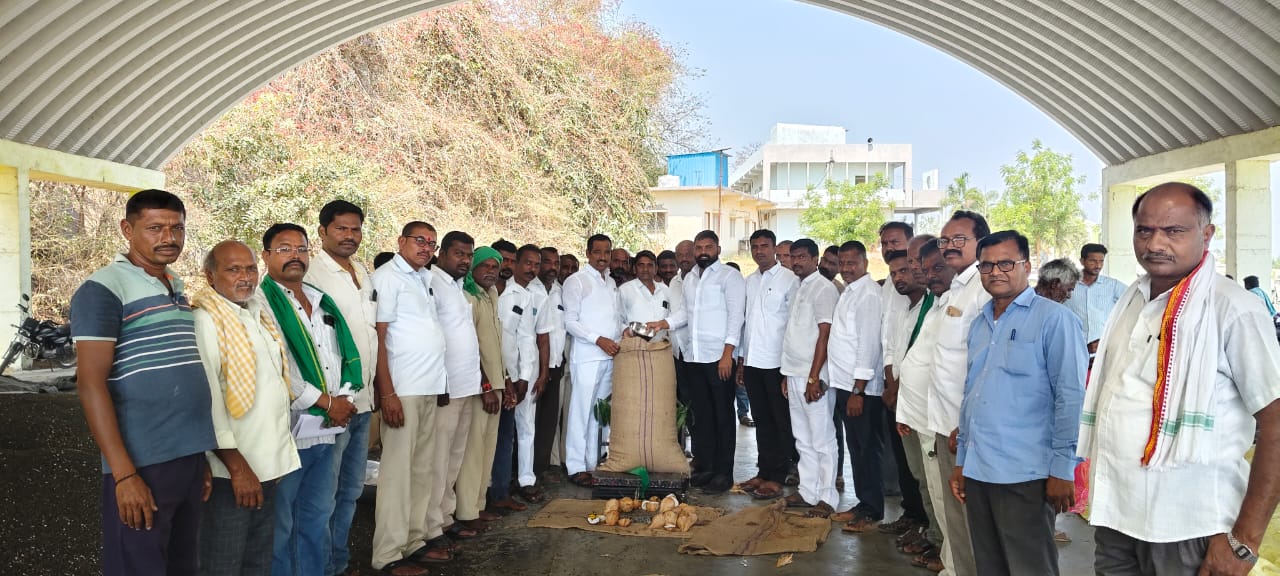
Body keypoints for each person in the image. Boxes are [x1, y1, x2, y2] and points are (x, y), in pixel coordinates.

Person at [1079, 182, 1280, 576]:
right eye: (1144, 230)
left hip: (1190, 525)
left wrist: (1244, 541)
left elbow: (1275, 425)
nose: (1155, 243)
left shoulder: (1232, 308)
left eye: (1174, 231)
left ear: (1207, 234)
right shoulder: (1132, 300)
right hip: (1117, 515)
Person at [71, 189, 216, 576]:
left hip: (186, 458)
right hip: (141, 462)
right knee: (138, 565)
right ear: (127, 229)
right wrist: (124, 474)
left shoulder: (175, 284)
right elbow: (90, 384)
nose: (169, 238)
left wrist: (197, 458)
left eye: (177, 228)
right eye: (155, 228)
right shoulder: (103, 289)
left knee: (181, 564)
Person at [949, 230, 1087, 576]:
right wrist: (963, 459)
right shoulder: (980, 323)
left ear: (1027, 266)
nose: (995, 272)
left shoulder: (1054, 320)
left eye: (1006, 263)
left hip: (1026, 474)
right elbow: (972, 394)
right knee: (989, 566)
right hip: (979, 469)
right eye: (986, 265)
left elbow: (1070, 397)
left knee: (1029, 567)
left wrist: (1062, 468)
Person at [256, 223, 361, 576]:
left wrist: (344, 397)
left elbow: (342, 353)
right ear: (266, 256)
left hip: (327, 429)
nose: (294, 256)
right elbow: (279, 365)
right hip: (287, 431)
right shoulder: (259, 303)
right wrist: (329, 403)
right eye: (284, 249)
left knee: (317, 516)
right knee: (281, 523)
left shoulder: (320, 299)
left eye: (301, 249)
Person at [194, 240, 300, 576]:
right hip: (232, 472)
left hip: (265, 465)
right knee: (223, 563)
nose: (245, 277)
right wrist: (237, 469)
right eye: (233, 269)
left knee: (257, 561)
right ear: (210, 276)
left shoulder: (255, 312)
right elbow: (207, 399)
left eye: (251, 268)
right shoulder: (206, 320)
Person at [369, 222, 448, 576]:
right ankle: (388, 554)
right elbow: (379, 337)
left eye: (432, 243)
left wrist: (441, 382)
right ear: (401, 241)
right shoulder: (388, 277)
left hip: (428, 386)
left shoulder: (424, 277)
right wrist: (387, 393)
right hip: (403, 389)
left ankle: (414, 541)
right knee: (397, 474)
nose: (426, 248)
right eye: (420, 241)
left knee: (421, 470)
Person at [305, 200, 378, 576]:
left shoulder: (362, 271)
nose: (350, 236)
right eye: (341, 229)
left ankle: (338, 562)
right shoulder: (312, 273)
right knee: (323, 495)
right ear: (322, 232)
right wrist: (331, 399)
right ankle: (320, 567)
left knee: (350, 490)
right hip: (333, 404)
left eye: (355, 229)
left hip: (363, 400)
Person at [649, 230, 747, 494]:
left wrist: (728, 354)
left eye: (708, 247)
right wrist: (662, 323)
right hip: (694, 356)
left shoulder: (730, 276)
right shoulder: (690, 278)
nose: (703, 252)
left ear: (718, 248)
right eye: (699, 247)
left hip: (718, 358)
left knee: (722, 416)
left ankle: (724, 474)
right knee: (701, 416)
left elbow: (736, 317)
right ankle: (706, 467)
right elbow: (685, 313)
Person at [929, 210, 991, 576]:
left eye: (959, 240)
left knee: (969, 520)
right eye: (945, 240)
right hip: (943, 421)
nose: (949, 246)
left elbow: (985, 365)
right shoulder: (955, 288)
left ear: (981, 242)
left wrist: (965, 425)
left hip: (963, 428)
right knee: (952, 518)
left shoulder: (983, 290)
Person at [899, 240, 955, 574]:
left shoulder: (957, 302)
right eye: (919, 263)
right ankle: (941, 547)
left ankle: (948, 554)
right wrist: (904, 409)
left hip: (941, 420)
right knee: (928, 485)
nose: (923, 270)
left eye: (934, 266)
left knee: (945, 495)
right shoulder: (933, 303)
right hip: (917, 414)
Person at [447, 235, 507, 533]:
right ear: (473, 268)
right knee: (472, 451)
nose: (491, 272)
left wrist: (503, 381)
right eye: (485, 266)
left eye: (495, 267)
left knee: (487, 448)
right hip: (479, 386)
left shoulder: (490, 295)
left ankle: (478, 505)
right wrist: (486, 386)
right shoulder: (467, 297)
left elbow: (495, 343)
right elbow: (470, 346)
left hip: (496, 384)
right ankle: (466, 512)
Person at [777, 238, 841, 518]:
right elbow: (795, 334)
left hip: (813, 376)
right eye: (793, 257)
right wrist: (787, 374)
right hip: (794, 372)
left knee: (822, 437)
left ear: (815, 259)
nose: (796, 262)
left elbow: (825, 334)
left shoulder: (823, 288)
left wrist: (814, 377)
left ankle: (827, 497)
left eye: (802, 257)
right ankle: (808, 491)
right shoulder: (797, 286)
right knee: (802, 437)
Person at [827, 240, 886, 533]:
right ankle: (863, 503)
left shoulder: (869, 295)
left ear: (865, 262)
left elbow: (868, 346)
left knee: (866, 449)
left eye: (852, 263)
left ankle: (872, 509)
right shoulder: (850, 292)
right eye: (843, 263)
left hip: (861, 390)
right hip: (844, 385)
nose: (846, 268)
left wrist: (858, 391)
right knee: (856, 448)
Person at [737, 229, 799, 501]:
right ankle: (763, 472)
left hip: (777, 363)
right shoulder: (749, 281)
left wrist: (789, 368)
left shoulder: (789, 280)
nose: (759, 251)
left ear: (774, 249)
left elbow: (794, 325)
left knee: (780, 421)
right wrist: (742, 360)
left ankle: (778, 476)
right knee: (762, 420)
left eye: (764, 246)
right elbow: (746, 324)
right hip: (753, 361)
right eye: (755, 246)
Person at [875, 221, 928, 538]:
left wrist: (896, 386)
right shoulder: (889, 287)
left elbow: (913, 348)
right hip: (892, 384)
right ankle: (911, 513)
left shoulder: (928, 300)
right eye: (884, 243)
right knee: (903, 457)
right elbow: (889, 341)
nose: (889, 247)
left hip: (912, 391)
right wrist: (889, 382)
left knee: (921, 464)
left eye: (895, 242)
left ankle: (925, 523)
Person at [562, 233, 623, 486]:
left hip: (610, 356)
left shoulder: (611, 282)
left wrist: (623, 334)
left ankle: (595, 462)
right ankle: (576, 466)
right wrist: (597, 339)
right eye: (597, 252)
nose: (602, 257)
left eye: (607, 252)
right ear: (588, 254)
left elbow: (615, 318)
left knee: (601, 412)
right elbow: (570, 321)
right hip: (588, 357)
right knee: (581, 411)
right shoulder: (576, 281)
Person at [499, 244, 546, 504]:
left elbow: (529, 338)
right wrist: (509, 375)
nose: (532, 269)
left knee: (526, 426)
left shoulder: (530, 295)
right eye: (528, 263)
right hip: (499, 373)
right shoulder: (496, 291)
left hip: (524, 373)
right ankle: (497, 484)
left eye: (536, 265)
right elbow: (499, 339)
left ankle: (526, 480)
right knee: (499, 432)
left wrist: (526, 376)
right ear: (515, 263)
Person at [533, 246, 568, 483]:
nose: (552, 267)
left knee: (548, 421)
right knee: (528, 423)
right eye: (547, 262)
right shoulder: (529, 289)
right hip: (532, 368)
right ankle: (523, 473)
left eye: (556, 263)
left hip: (555, 365)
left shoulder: (560, 291)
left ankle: (541, 468)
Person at [1064, 243, 1127, 358]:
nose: (1098, 265)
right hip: (1074, 349)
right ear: (1082, 261)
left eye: (1101, 261)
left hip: (1103, 351)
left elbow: (1135, 300)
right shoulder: (1067, 285)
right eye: (1093, 261)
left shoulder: (1113, 285)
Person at [619, 250, 671, 340]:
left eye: (650, 265)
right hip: (636, 345)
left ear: (656, 269)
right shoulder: (625, 290)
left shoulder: (665, 289)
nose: (645, 269)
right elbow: (617, 319)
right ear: (634, 269)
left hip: (662, 345)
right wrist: (626, 331)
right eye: (641, 265)